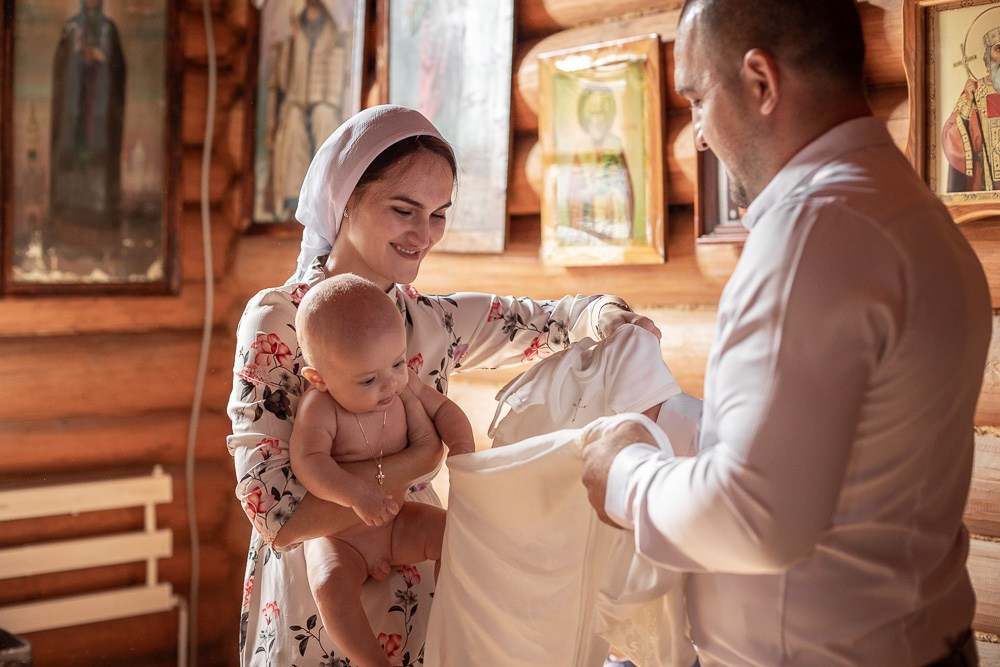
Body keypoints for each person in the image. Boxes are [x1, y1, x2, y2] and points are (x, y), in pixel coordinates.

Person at [580, 1, 991, 665]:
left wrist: (623, 474)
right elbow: (850, 445)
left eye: (697, 98)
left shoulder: (813, 231)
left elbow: (755, 517)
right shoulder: (911, 213)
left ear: (761, 82)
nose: (701, 137)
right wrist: (684, 423)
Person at [227, 103, 658, 666]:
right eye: (404, 209)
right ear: (346, 198)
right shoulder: (280, 319)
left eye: (438, 214)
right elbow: (280, 520)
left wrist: (603, 313)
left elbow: (550, 319)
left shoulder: (431, 322)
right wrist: (418, 459)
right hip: (317, 605)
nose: (423, 233)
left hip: (416, 588)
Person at [291, 273, 474, 667]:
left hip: (397, 520)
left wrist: (463, 452)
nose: (389, 384)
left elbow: (444, 410)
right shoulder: (319, 408)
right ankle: (372, 662)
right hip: (341, 536)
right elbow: (309, 463)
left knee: (456, 536)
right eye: (369, 379)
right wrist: (355, 494)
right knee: (328, 587)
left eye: (397, 362)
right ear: (319, 379)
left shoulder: (400, 385)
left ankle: (453, 627)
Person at [50, 0, 126, 248]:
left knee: (98, 155)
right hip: (75, 105)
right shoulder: (72, 28)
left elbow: (119, 70)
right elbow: (60, 70)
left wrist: (101, 60)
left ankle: (98, 211)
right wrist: (78, 62)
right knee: (72, 147)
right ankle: (68, 208)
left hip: (100, 109)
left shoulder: (108, 29)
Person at [266, 0, 345, 219]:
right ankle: (293, 199)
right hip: (296, 100)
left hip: (324, 101)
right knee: (292, 124)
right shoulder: (294, 33)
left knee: (325, 121)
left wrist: (324, 101)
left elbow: (338, 77)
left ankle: (324, 200)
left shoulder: (331, 34)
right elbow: (281, 80)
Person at [942, 26, 1000, 193]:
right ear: (988, 55)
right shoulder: (974, 89)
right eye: (998, 49)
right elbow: (949, 135)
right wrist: (968, 103)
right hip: (985, 180)